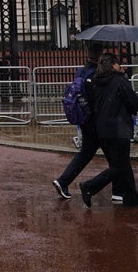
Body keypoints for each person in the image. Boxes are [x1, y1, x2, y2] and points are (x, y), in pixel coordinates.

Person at [79, 54, 138, 208]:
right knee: (119, 167)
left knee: (123, 164)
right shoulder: (119, 81)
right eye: (118, 63)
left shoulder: (96, 81)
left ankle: (131, 198)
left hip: (102, 128)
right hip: (118, 127)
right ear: (114, 65)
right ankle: (90, 186)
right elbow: (134, 102)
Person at [53, 41, 104, 199]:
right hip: (96, 121)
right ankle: (117, 190)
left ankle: (63, 181)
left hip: (84, 118)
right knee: (116, 160)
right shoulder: (96, 74)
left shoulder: (81, 71)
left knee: (86, 154)